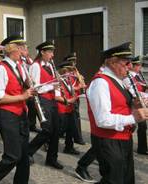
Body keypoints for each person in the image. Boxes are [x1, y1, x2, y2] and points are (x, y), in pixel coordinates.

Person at [87, 42, 148, 183]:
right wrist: (134, 117)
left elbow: (120, 104)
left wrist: (134, 105)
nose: (130, 67)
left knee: (126, 179)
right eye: (126, 63)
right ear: (113, 62)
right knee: (114, 180)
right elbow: (102, 120)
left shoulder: (119, 80)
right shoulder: (100, 83)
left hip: (122, 138)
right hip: (108, 141)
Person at [0, 37, 34, 184]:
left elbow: (23, 86)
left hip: (21, 113)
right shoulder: (1, 68)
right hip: (7, 115)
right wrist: (23, 96)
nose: (24, 50)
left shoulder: (19, 65)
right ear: (13, 49)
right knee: (13, 155)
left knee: (24, 155)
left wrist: (30, 86)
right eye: (21, 47)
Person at [28, 41, 63, 170]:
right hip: (42, 100)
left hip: (52, 100)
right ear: (42, 52)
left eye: (52, 52)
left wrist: (58, 92)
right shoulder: (35, 66)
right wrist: (51, 86)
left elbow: (54, 82)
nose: (52, 55)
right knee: (47, 130)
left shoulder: (50, 65)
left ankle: (52, 159)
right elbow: (35, 87)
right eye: (50, 52)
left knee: (55, 131)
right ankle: (28, 151)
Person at [55, 58, 80, 155]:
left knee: (71, 129)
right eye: (69, 71)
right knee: (61, 129)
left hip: (69, 107)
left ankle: (69, 147)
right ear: (64, 71)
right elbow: (56, 96)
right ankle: (48, 141)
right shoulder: (58, 81)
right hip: (62, 108)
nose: (71, 73)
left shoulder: (68, 79)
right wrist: (68, 100)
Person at [124, 56, 148, 155]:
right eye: (138, 65)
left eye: (140, 65)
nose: (140, 67)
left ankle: (142, 148)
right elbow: (132, 92)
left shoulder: (138, 75)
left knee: (141, 126)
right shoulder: (129, 77)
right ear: (132, 66)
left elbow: (140, 88)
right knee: (132, 127)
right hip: (134, 104)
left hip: (140, 103)